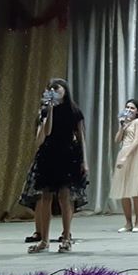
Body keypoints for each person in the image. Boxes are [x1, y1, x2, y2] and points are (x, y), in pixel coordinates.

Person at [26, 78, 88, 254]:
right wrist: (50, 110)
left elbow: (81, 137)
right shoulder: (45, 110)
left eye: (57, 88)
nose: (53, 91)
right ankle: (44, 240)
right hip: (48, 155)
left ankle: (66, 237)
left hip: (68, 155)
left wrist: (85, 161)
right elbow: (47, 132)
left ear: (65, 91)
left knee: (64, 197)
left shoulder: (74, 111)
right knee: (45, 197)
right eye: (50, 89)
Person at [110, 99, 138, 233]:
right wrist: (121, 126)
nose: (129, 110)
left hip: (134, 155)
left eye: (132, 108)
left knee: (135, 191)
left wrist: (126, 156)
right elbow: (117, 140)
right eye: (127, 107)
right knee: (124, 191)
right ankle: (128, 222)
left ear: (137, 111)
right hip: (123, 152)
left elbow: (136, 141)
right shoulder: (125, 123)